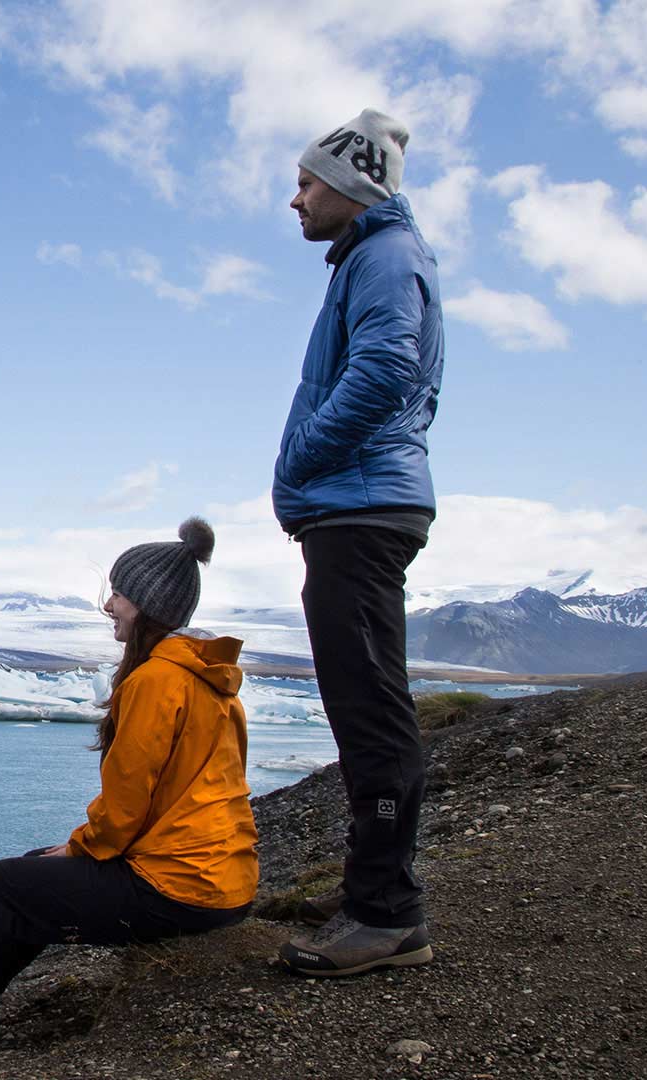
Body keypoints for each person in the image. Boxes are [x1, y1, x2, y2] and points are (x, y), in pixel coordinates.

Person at [0, 518, 258, 1058]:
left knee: (10, 881)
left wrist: (83, 845)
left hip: (179, 887)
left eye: (120, 594)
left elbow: (129, 804)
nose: (109, 605)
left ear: (147, 604)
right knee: (31, 871)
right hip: (222, 880)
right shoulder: (213, 684)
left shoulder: (158, 680)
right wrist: (77, 850)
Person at [274, 107, 443, 977]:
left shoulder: (382, 255)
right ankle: (376, 900)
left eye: (307, 183)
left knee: (371, 712)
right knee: (364, 705)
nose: (294, 199)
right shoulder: (370, 258)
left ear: (351, 185)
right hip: (355, 509)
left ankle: (386, 914)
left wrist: (302, 458)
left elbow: (385, 370)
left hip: (360, 511)